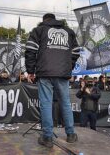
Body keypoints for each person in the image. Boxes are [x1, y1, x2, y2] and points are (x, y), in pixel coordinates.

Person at [25, 13, 80, 148]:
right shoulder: (69, 32)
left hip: (45, 73)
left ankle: (47, 137)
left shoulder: (39, 30)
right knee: (66, 103)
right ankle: (71, 135)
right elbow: (77, 51)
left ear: (44, 20)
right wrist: (68, 67)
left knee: (46, 104)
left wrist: (30, 71)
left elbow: (30, 50)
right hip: (62, 74)